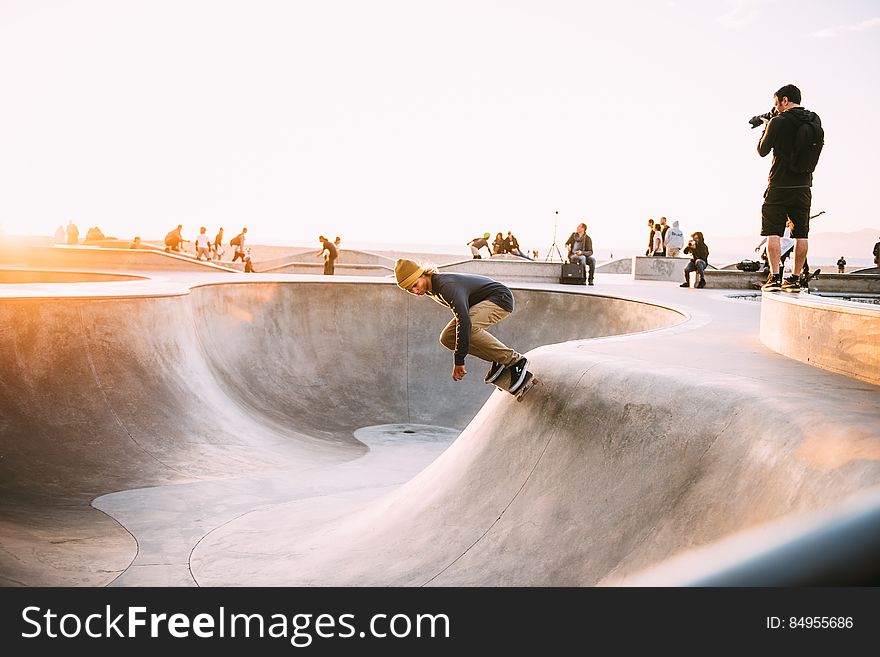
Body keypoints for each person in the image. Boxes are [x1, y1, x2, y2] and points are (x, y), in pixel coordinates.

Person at [394, 258, 530, 392]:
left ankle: (516, 361)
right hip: (484, 302)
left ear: (422, 274)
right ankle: (498, 359)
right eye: (409, 290)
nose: (415, 291)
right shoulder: (430, 289)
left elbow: (464, 321)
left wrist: (459, 360)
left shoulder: (445, 285)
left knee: (468, 329)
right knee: (447, 337)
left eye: (415, 285)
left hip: (500, 298)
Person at [757, 84, 822, 292]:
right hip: (804, 185)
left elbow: (762, 150)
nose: (776, 107)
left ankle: (775, 277)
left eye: (777, 103)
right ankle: (794, 279)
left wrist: (767, 126)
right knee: (801, 234)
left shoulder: (778, 121)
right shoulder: (814, 120)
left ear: (785, 100)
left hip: (779, 184)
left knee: (773, 233)